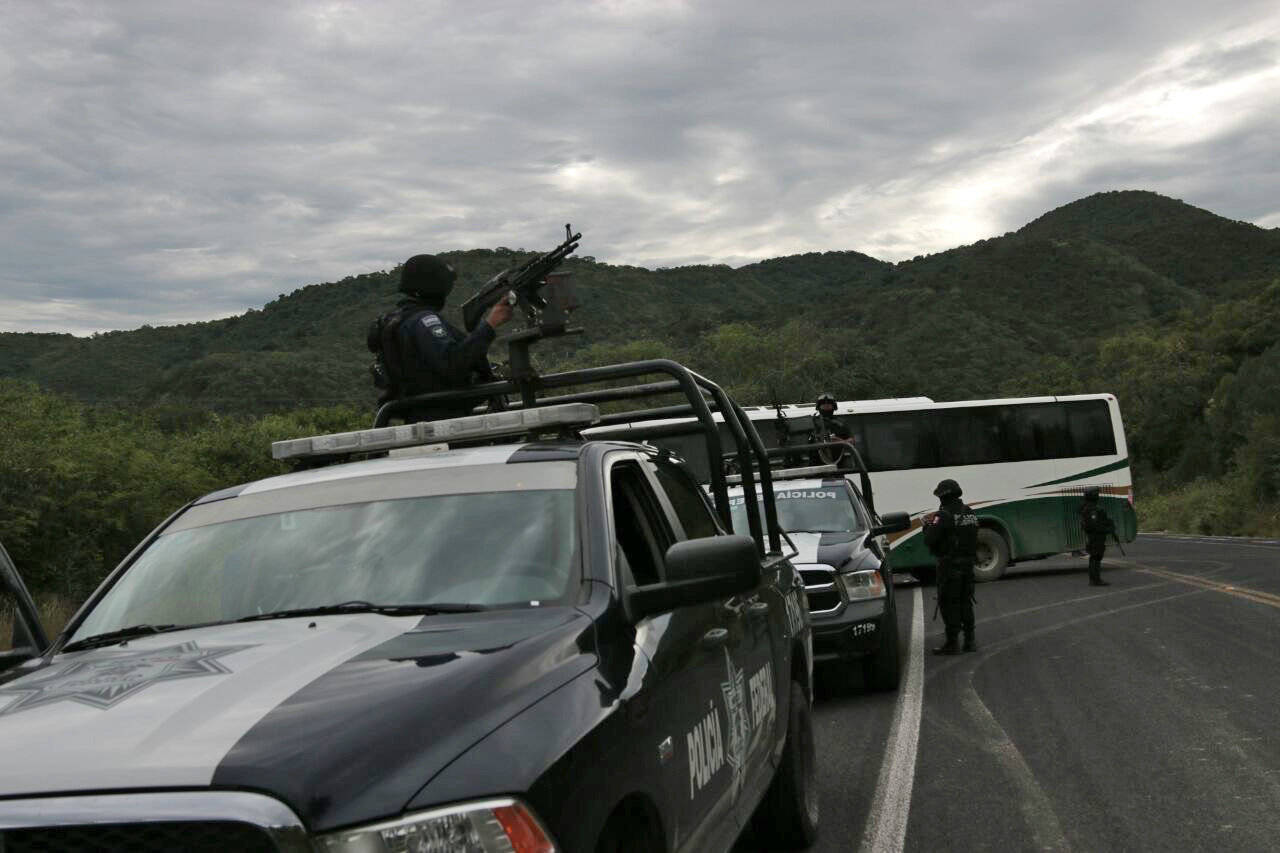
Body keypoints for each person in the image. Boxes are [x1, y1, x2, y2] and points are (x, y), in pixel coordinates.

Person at [369, 253, 512, 420]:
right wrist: (490, 324)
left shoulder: (400, 319)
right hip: (443, 422)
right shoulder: (423, 321)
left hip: (424, 417)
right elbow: (453, 364)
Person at [923, 478, 979, 654]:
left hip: (950, 567)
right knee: (966, 602)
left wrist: (927, 527)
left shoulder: (943, 515)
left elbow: (930, 539)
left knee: (948, 604)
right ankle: (970, 641)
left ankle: (952, 643)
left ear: (943, 497)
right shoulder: (970, 513)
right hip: (968, 566)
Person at [1079, 487, 1114, 586]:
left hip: (1094, 536)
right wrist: (1107, 529)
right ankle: (1095, 580)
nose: (1098, 496)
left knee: (1095, 557)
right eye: (1096, 494)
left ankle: (1094, 579)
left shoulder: (1088, 507)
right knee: (1096, 557)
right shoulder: (1092, 509)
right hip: (1095, 536)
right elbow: (1095, 525)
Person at [809, 392, 853, 465]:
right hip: (816, 467)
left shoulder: (840, 423)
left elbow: (852, 441)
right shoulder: (812, 423)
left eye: (829, 405)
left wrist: (840, 441)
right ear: (819, 407)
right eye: (823, 405)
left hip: (838, 466)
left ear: (833, 406)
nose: (826, 406)